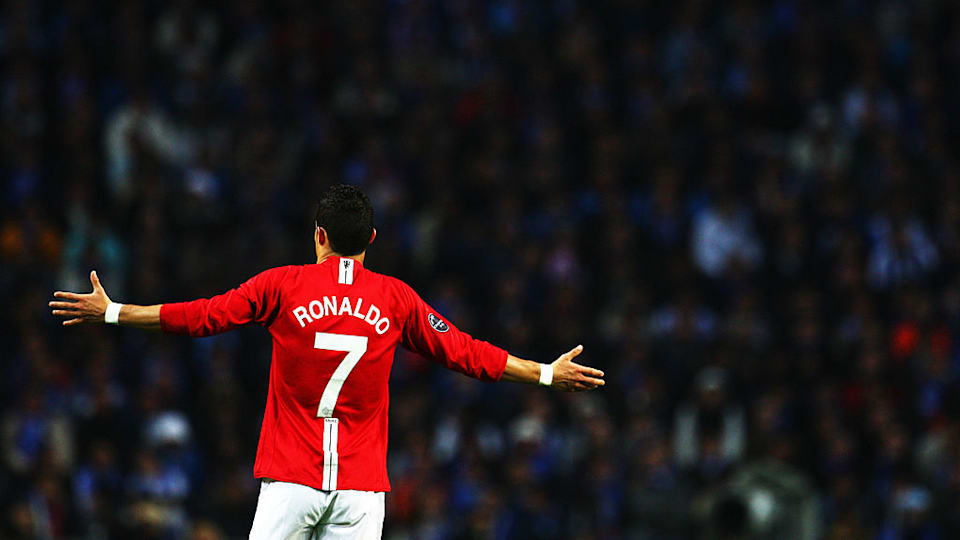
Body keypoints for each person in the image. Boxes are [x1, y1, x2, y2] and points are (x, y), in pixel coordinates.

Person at [49, 184, 605, 539]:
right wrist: (546, 372)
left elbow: (202, 317)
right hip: (361, 494)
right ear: (372, 239)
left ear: (318, 236)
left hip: (290, 480)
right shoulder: (396, 299)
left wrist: (116, 312)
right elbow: (464, 352)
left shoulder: (282, 286)